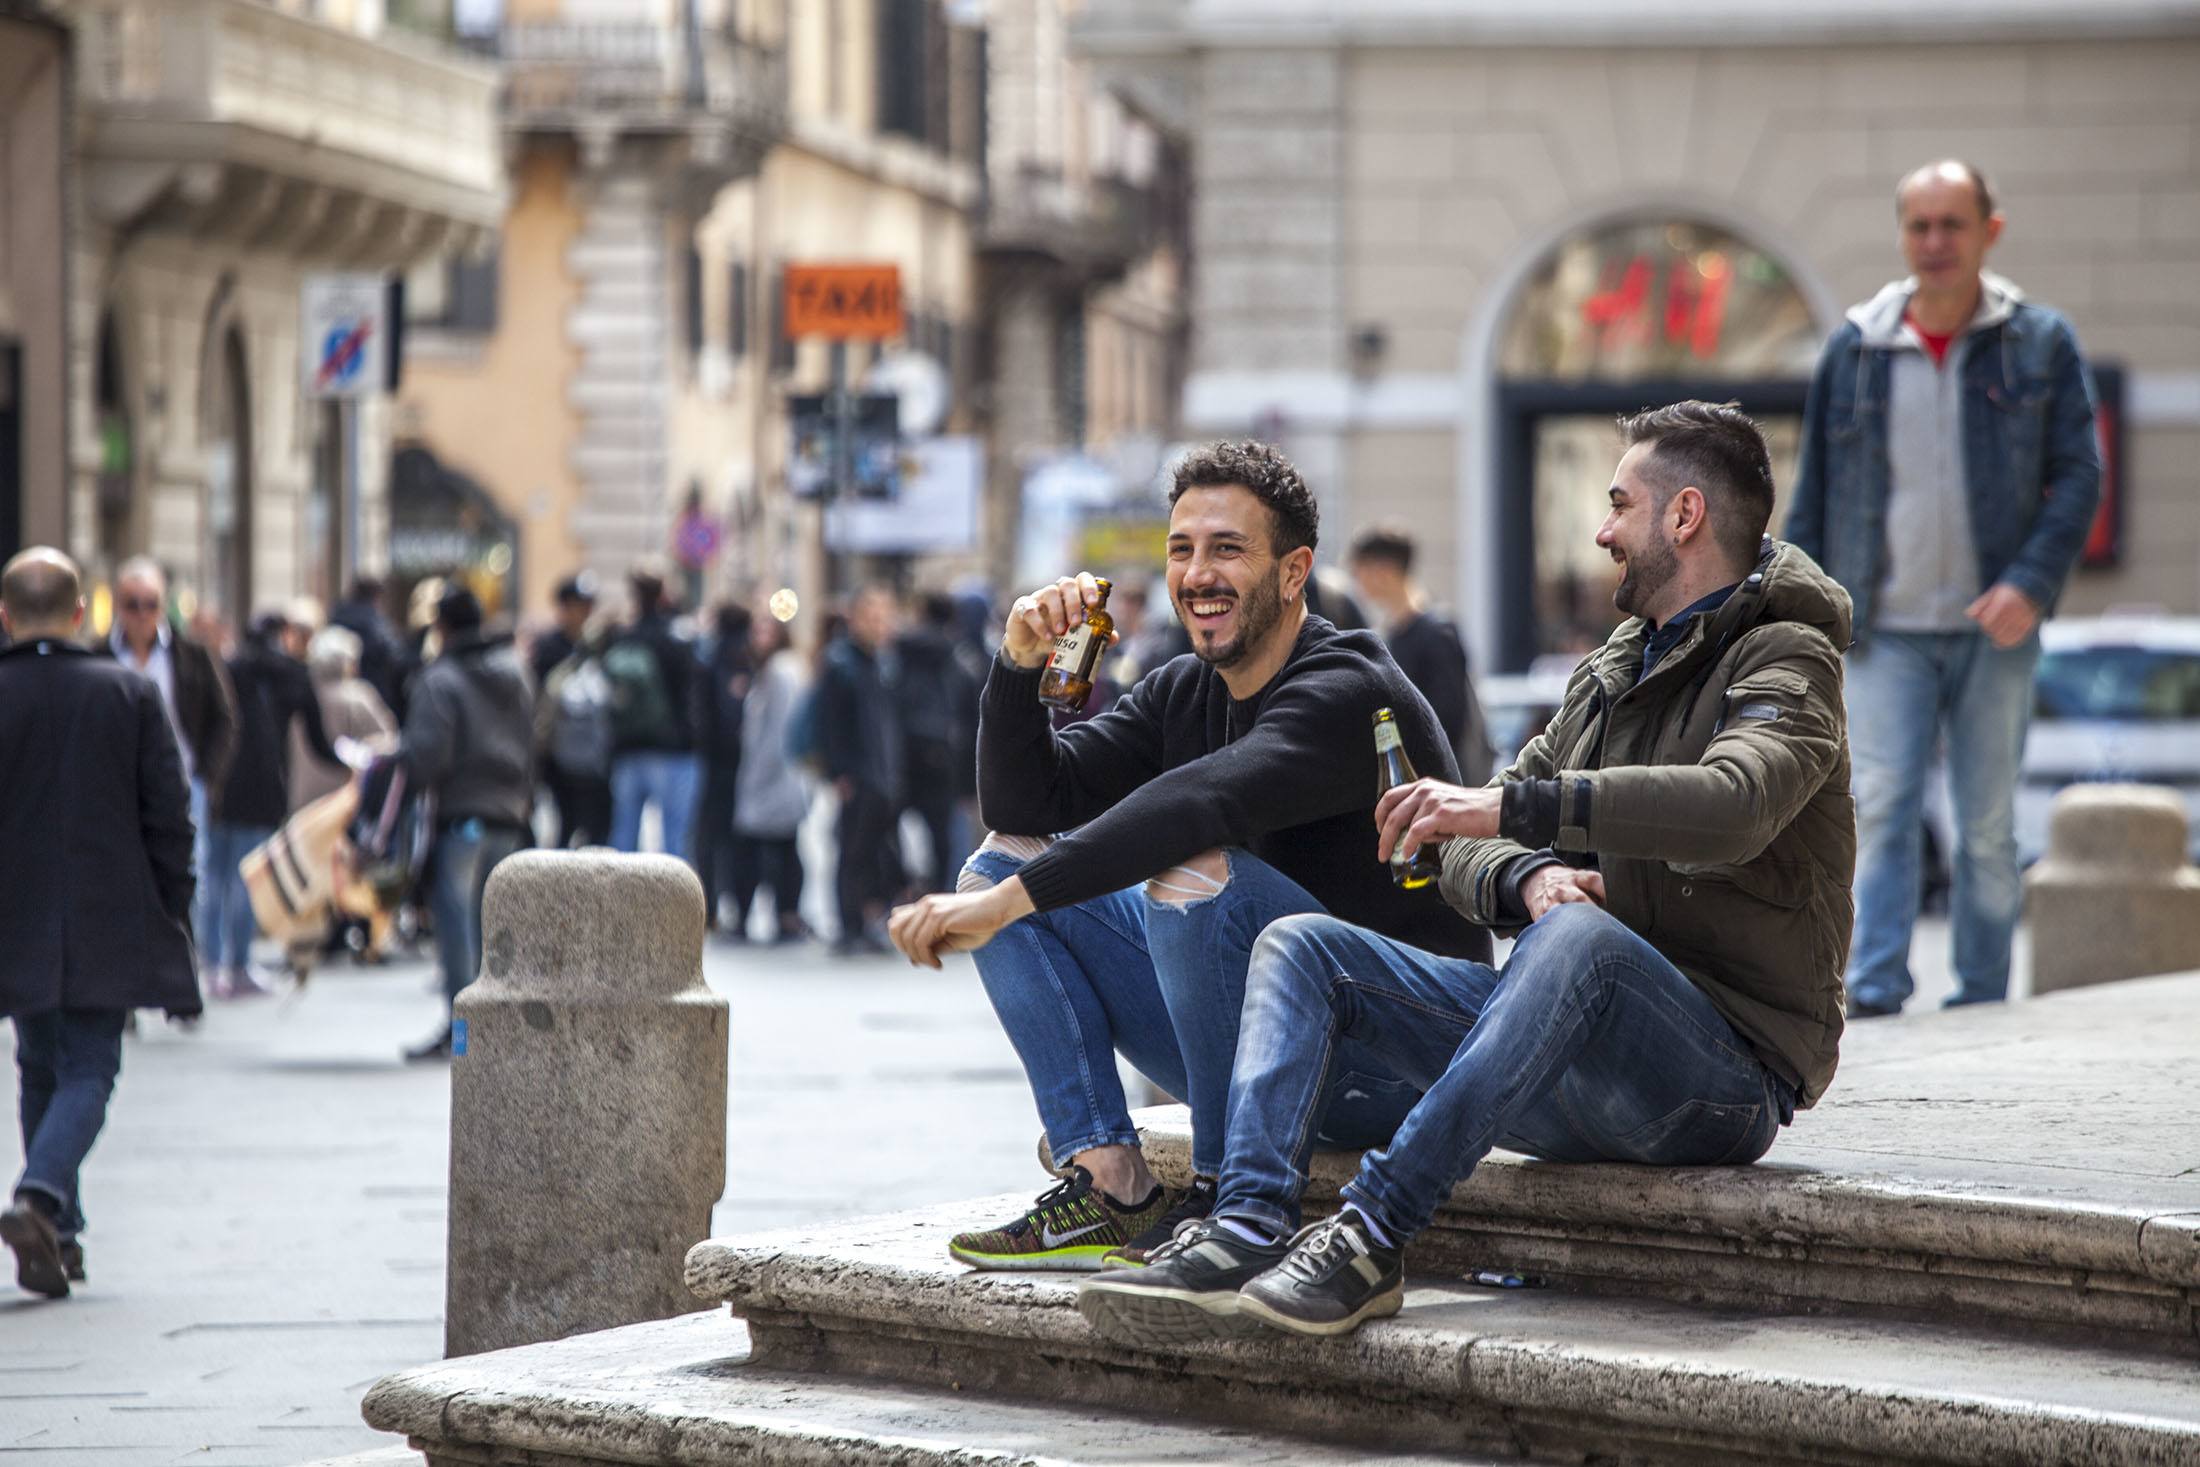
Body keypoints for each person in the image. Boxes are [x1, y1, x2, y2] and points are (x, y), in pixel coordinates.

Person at [1077, 402, 1854, 1341]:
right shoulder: (1612, 668)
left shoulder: (1789, 655)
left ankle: (1370, 1233)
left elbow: (1736, 803)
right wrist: (1524, 873)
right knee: (1302, 943)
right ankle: (1244, 1224)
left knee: (1578, 939)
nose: (1602, 530)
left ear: (1683, 516)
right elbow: (1463, 833)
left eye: (1618, 504)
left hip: (1720, 1074)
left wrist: (1516, 814)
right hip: (1565, 1046)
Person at [887, 440, 1489, 1274]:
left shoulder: (1352, 687)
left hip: (1387, 1068)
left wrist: (1008, 906)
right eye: (1182, 549)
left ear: (1293, 571)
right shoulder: (1184, 689)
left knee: (1192, 871)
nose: (1198, 573)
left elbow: (1205, 801)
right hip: (1259, 1053)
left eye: (1227, 549)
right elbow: (1030, 807)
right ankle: (1109, 1183)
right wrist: (1018, 665)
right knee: (998, 858)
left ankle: (1221, 1192)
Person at [1785, 159, 2100, 1018]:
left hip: (1995, 626)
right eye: (1918, 226)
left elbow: (2078, 476)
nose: (1934, 243)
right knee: (1879, 807)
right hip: (1881, 627)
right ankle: (1879, 990)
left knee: (1988, 826)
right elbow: (1812, 497)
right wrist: (1814, 613)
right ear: (1902, 235)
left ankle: (1982, 997)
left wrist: (2029, 584)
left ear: (1989, 231)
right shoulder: (1855, 348)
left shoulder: (2038, 342)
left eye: (1951, 225)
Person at [0, 549, 201, 1298]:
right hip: (106, 911)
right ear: (83, 613)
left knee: (38, 1063)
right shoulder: (127, 692)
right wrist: (173, 902)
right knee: (90, 1067)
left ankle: (62, 1232)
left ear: (5, 615)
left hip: (16, 912)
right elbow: (169, 813)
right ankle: (42, 1195)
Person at [398, 586, 535, 1061]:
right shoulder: (516, 673)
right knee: (496, 928)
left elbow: (427, 755)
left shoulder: (441, 679)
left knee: (457, 928)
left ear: (442, 627)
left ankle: (464, 1040)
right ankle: (496, 1037)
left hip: (462, 816)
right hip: (509, 815)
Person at [206, 610, 347, 997]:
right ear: (283, 634)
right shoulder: (291, 672)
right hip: (265, 784)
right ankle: (237, 965)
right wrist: (350, 764)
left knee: (216, 874)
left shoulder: (228, 667)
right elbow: (319, 741)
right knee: (247, 875)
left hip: (221, 782)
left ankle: (213, 965)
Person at [97, 558, 239, 935]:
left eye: (151, 603)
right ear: (117, 605)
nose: (142, 614)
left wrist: (207, 779)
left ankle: (187, 961)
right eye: (132, 603)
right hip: (117, 790)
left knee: (191, 875)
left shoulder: (192, 654)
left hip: (184, 785)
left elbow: (224, 718)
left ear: (163, 605)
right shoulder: (99, 658)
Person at [1348, 526, 1496, 783]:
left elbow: (1448, 718)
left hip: (1444, 785)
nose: (1355, 581)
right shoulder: (1389, 634)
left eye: (1358, 571)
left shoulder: (1437, 631)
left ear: (1383, 571)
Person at [820, 586, 905, 954]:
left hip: (883, 775)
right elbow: (831, 725)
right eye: (872, 617)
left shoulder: (884, 662)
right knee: (852, 851)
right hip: (858, 775)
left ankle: (869, 920)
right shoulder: (841, 662)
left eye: (884, 617)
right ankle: (849, 923)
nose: (880, 625)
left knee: (876, 851)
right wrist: (839, 773)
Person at [605, 562, 703, 864]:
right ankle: (674, 912)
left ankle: (615, 910)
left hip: (627, 749)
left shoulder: (622, 636)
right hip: (673, 750)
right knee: (674, 848)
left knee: (622, 845)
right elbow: (692, 692)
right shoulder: (677, 638)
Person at [730, 616, 811, 943]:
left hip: (773, 779)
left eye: (767, 631)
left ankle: (784, 916)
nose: (760, 638)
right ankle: (782, 916)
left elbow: (778, 733)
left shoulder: (779, 673)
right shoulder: (769, 672)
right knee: (776, 847)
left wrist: (756, 776)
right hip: (772, 779)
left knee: (769, 849)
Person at [895, 591, 980, 897]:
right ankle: (940, 895)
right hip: (944, 755)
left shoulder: (899, 652)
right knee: (943, 834)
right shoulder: (958, 657)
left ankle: (902, 887)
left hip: (902, 754)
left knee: (890, 827)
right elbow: (972, 721)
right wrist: (970, 782)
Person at [290, 626, 397, 812]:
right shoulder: (357, 696)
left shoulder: (301, 691)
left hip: (301, 797)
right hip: (343, 799)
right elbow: (389, 740)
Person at [696, 600, 755, 933]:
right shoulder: (741, 658)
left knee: (709, 836)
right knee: (734, 837)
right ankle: (736, 905)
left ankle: (711, 907)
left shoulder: (708, 656)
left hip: (712, 759)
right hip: (737, 760)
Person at [330, 575, 406, 715]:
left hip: (337, 696)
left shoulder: (335, 618)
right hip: (374, 695)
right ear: (375, 596)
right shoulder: (376, 624)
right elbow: (396, 655)